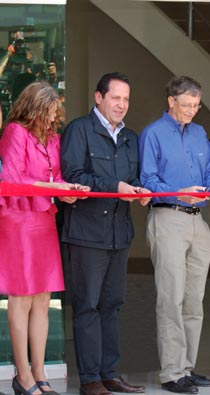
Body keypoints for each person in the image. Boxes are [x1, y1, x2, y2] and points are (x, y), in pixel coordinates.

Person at [60, 72, 150, 395]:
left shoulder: (131, 138)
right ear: (99, 98)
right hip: (87, 233)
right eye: (116, 98)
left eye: (126, 99)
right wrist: (116, 187)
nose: (122, 105)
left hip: (119, 233)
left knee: (113, 305)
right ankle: (90, 379)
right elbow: (73, 175)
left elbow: (136, 176)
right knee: (88, 306)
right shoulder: (79, 130)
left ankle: (110, 373)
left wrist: (140, 191)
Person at [139, 75, 210, 395]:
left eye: (196, 105)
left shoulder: (200, 133)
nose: (192, 110)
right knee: (171, 298)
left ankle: (187, 367)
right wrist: (179, 193)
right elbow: (147, 180)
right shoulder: (153, 134)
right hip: (168, 218)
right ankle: (172, 372)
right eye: (187, 104)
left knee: (194, 300)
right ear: (171, 101)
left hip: (198, 221)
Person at [0, 81, 89, 395]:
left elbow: (57, 179)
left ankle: (39, 373)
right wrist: (55, 189)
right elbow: (12, 179)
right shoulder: (15, 132)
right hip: (18, 219)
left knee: (43, 299)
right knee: (21, 297)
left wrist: (68, 192)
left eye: (56, 114)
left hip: (44, 219)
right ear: (33, 109)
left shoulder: (53, 139)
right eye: (49, 113)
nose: (53, 120)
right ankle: (22, 375)